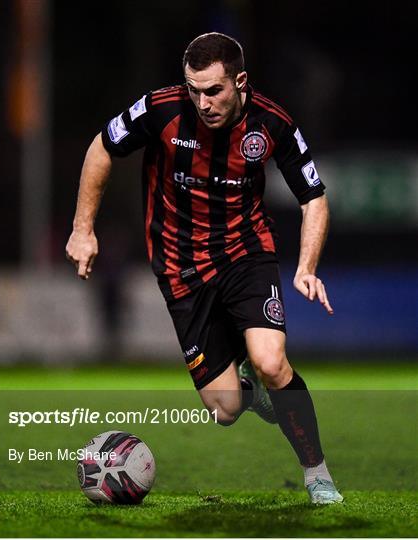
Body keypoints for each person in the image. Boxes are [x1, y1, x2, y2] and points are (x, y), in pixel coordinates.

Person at [66, 32, 343, 504]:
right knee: (224, 409)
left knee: (272, 361)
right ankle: (250, 391)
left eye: (213, 90)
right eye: (194, 90)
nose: (203, 102)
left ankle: (317, 474)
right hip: (179, 269)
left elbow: (313, 197)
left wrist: (307, 266)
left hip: (245, 252)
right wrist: (82, 228)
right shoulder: (160, 109)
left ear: (240, 82)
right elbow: (101, 148)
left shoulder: (272, 123)